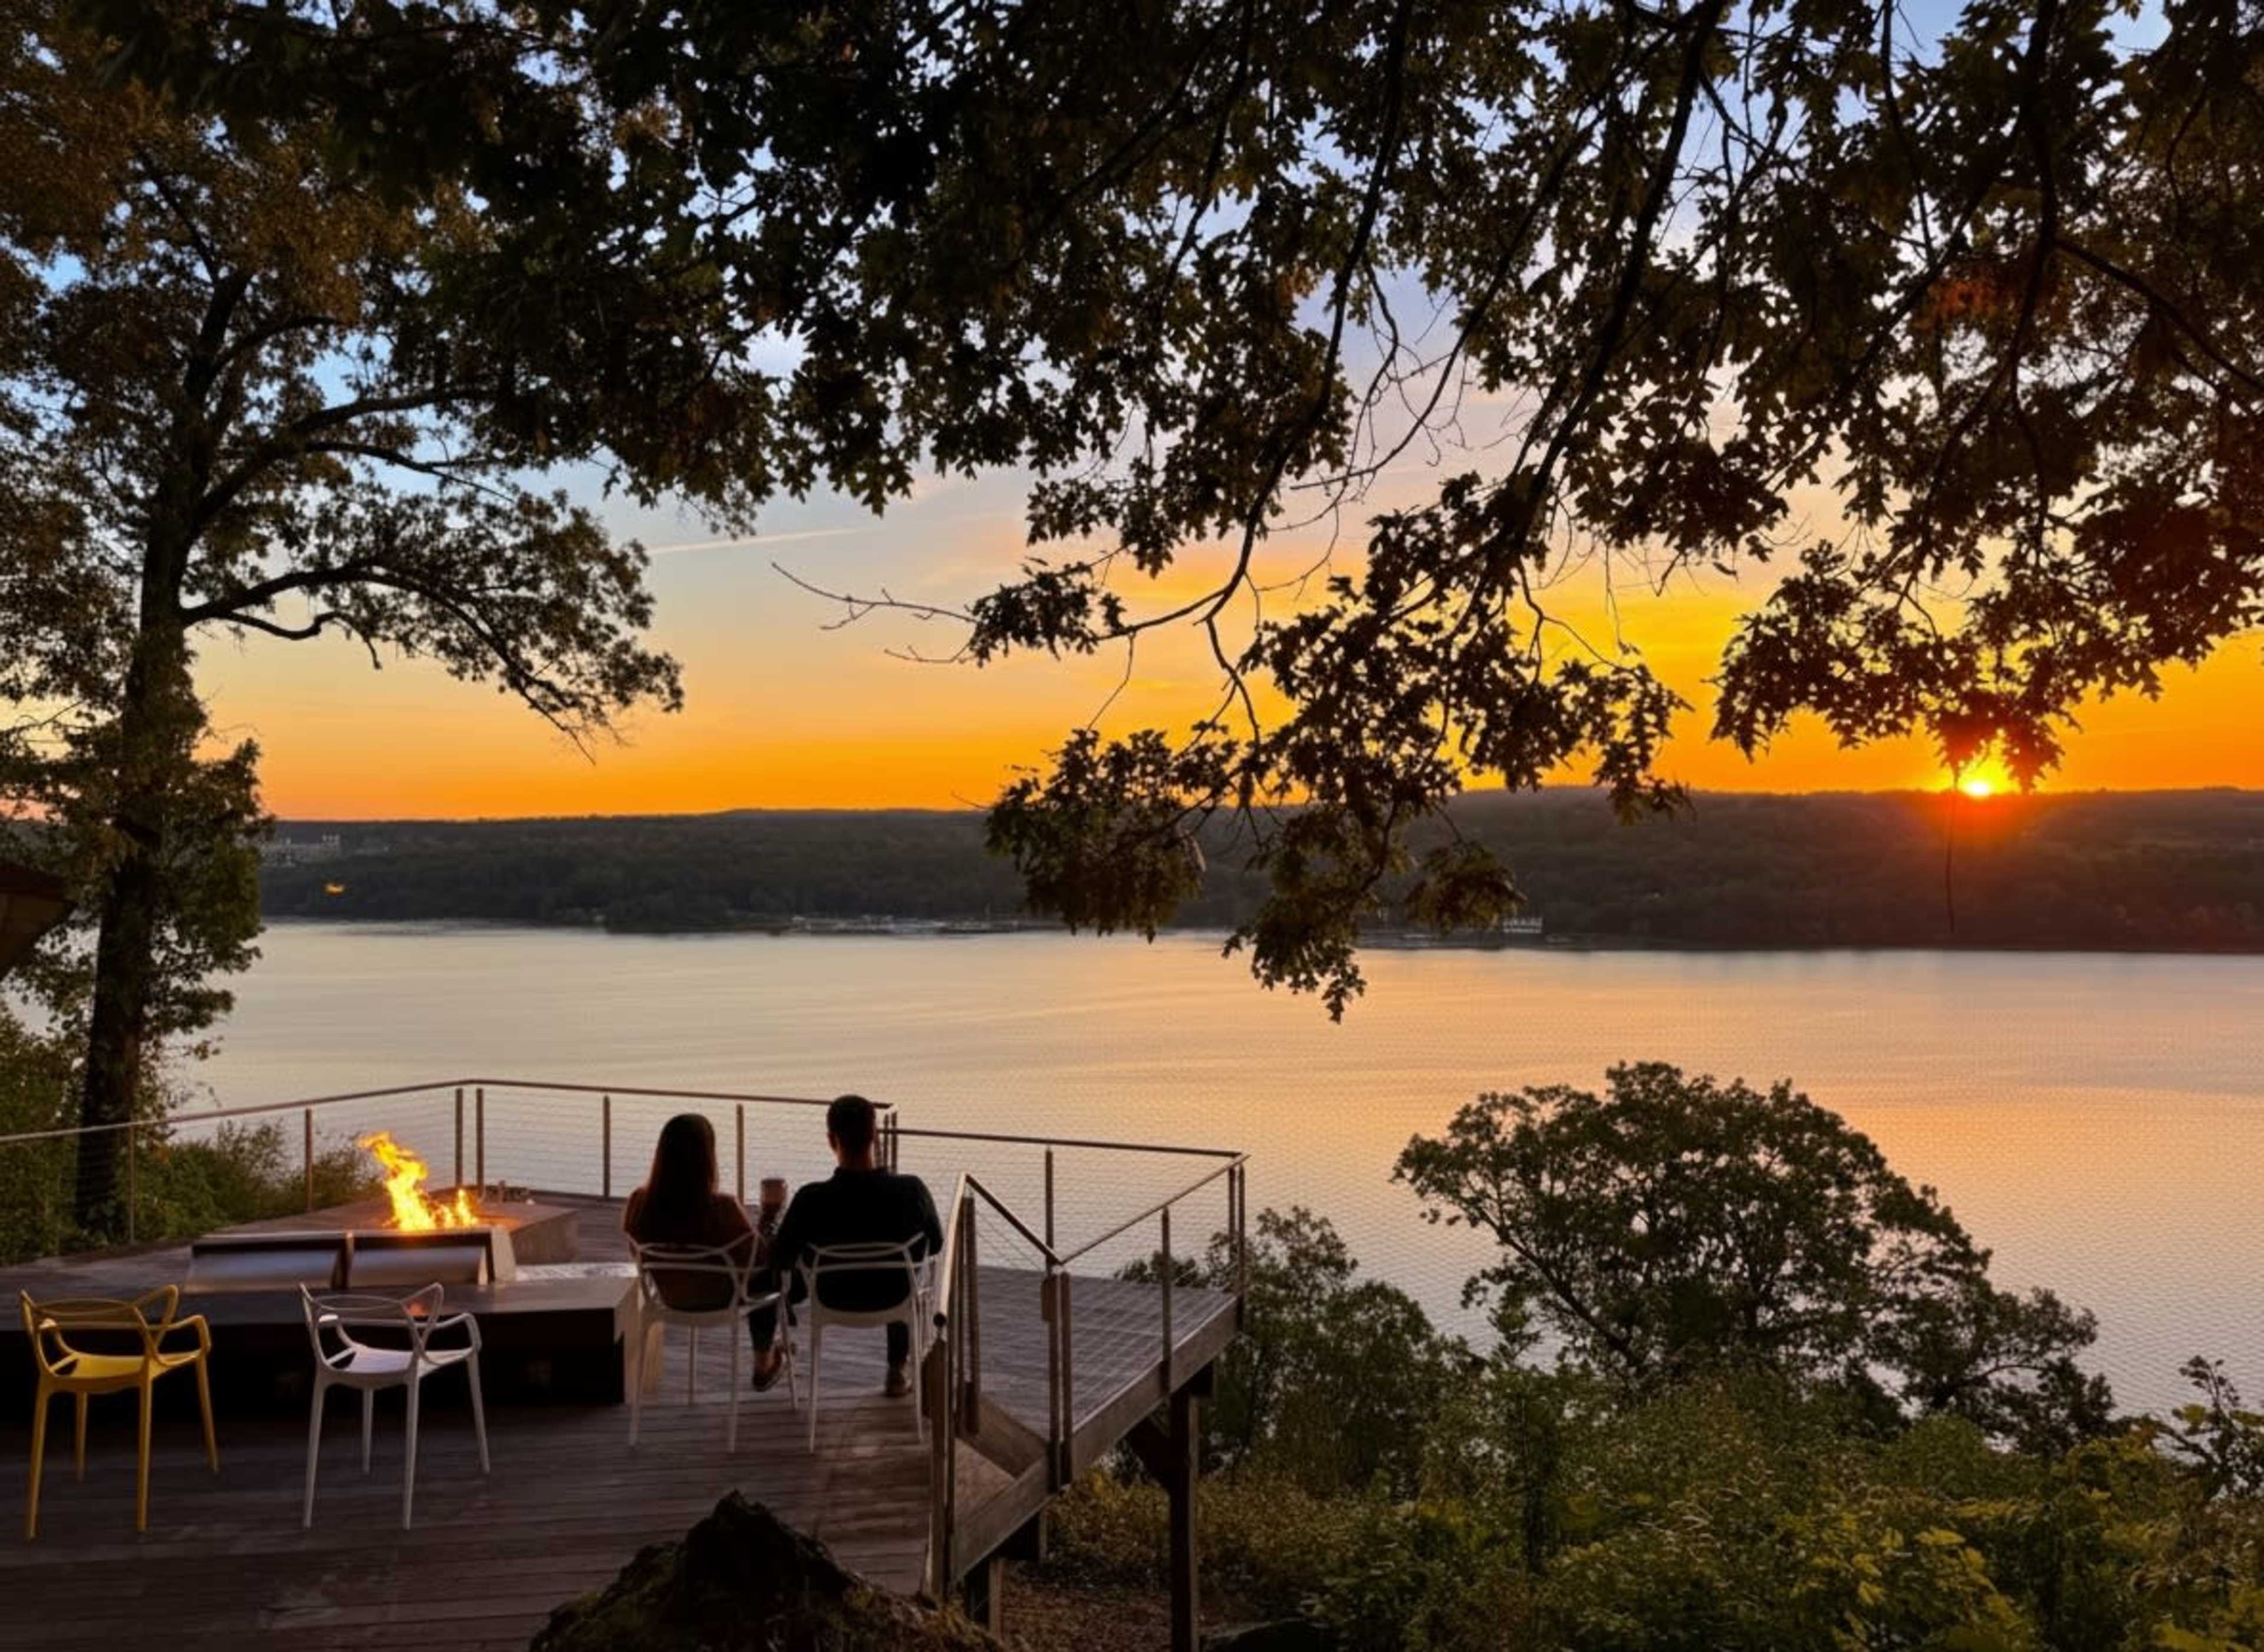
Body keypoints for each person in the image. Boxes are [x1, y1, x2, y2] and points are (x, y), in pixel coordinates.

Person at [750, 1094, 943, 1398]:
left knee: (763, 1278)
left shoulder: (811, 1199)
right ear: (875, 1136)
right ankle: (897, 1368)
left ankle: (767, 1358)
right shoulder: (911, 1191)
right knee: (903, 1273)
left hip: (832, 1296)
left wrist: (770, 1222)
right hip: (893, 1296)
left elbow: (780, 1258)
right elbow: (936, 1244)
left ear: (831, 1140)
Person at [622, 1113, 756, 1311]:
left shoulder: (639, 1203)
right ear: (707, 1157)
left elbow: (638, 1253)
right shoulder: (723, 1208)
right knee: (775, 1278)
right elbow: (756, 1260)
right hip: (722, 1300)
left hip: (669, 1298)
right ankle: (766, 1343)